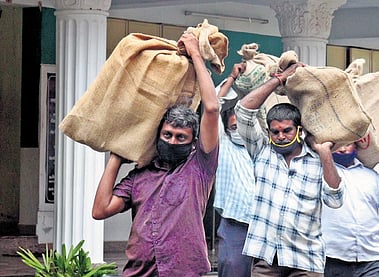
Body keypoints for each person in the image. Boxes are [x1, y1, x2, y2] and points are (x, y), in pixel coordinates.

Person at [91, 33, 220, 277]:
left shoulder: (200, 167)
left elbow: (211, 108)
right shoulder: (139, 176)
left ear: (193, 142)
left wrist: (194, 53)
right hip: (139, 271)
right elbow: (100, 210)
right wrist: (116, 159)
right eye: (168, 135)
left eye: (180, 137)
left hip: (184, 271)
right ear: (158, 135)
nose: (172, 141)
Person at [234, 62, 345, 276]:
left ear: (299, 130)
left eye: (286, 130)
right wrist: (280, 79)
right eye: (275, 132)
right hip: (266, 257)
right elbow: (244, 110)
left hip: (305, 260)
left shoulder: (316, 160)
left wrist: (325, 154)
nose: (281, 136)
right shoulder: (261, 151)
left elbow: (335, 200)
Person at [322, 143, 379, 277]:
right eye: (338, 145)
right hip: (333, 257)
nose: (342, 149)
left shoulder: (371, 175)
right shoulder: (321, 174)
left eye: (347, 144)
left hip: (371, 257)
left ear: (357, 146)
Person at [214, 62, 256, 277]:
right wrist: (231, 78)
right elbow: (215, 105)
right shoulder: (224, 145)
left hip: (264, 225)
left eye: (242, 125)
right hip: (235, 224)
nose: (238, 130)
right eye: (233, 126)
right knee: (233, 269)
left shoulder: (261, 147)